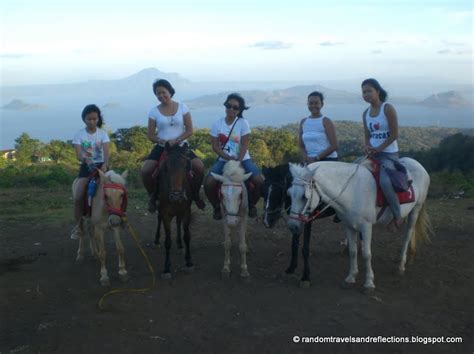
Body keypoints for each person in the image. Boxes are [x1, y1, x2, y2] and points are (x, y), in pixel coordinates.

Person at [141, 79, 205, 212]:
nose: (161, 96)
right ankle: (152, 196)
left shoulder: (182, 107)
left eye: (163, 92)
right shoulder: (154, 112)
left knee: (199, 166)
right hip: (162, 146)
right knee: (146, 170)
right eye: (158, 94)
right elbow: (150, 135)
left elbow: (189, 130)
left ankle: (195, 194)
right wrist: (164, 142)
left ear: (170, 92)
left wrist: (177, 140)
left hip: (181, 146)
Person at [204, 93, 264, 220]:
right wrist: (227, 157)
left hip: (243, 158)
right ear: (225, 106)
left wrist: (239, 161)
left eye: (235, 107)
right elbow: (215, 146)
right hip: (223, 159)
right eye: (229, 105)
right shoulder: (217, 124)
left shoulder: (243, 123)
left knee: (260, 181)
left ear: (239, 110)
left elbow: (244, 145)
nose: (231, 109)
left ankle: (252, 204)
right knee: (208, 182)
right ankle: (216, 206)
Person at [361, 78, 402, 229]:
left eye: (369, 91)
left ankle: (398, 214)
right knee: (353, 171)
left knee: (385, 181)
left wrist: (380, 148)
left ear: (378, 91)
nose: (366, 94)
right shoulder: (366, 113)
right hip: (373, 155)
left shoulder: (387, 108)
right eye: (364, 92)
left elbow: (394, 134)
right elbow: (367, 136)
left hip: (389, 154)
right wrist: (367, 147)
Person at [71, 104, 110, 239]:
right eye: (89, 119)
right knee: (78, 196)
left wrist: (105, 164)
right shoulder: (79, 135)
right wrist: (86, 160)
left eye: (95, 119)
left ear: (98, 119)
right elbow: (78, 154)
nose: (92, 121)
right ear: (84, 120)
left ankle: (118, 217)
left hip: (102, 167)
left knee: (116, 189)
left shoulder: (103, 134)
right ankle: (78, 227)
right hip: (86, 167)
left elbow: (106, 151)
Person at [299, 91, 338, 163]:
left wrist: (316, 158)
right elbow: (301, 146)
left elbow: (334, 146)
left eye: (316, 103)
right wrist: (305, 157)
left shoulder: (326, 121)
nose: (313, 105)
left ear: (322, 104)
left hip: (327, 160)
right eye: (311, 103)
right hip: (309, 161)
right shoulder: (303, 122)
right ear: (307, 104)